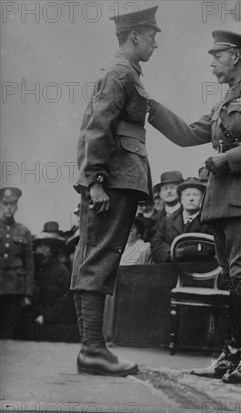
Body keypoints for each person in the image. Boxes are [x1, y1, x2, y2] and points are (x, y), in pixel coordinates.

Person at [147, 30, 241, 384]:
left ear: (237, 56)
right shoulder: (224, 102)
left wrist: (226, 161)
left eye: (217, 55)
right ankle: (231, 356)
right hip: (224, 201)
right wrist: (151, 108)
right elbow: (186, 135)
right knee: (229, 277)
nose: (211, 63)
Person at [70, 5, 162, 376]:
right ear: (135, 36)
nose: (156, 43)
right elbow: (96, 128)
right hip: (111, 182)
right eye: (153, 36)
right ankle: (93, 350)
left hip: (118, 180)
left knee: (98, 259)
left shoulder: (126, 72)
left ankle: (94, 349)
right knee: (98, 260)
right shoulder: (120, 72)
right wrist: (94, 182)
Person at [151, 177, 213, 263]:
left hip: (199, 270)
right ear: (181, 199)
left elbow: (210, 248)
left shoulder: (209, 222)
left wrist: (183, 252)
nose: (191, 198)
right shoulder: (168, 221)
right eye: (188, 195)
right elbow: (156, 243)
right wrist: (171, 253)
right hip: (172, 269)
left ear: (202, 200)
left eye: (196, 195)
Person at [0, 187, 33, 339]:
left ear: (16, 207)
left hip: (15, 286)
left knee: (9, 327)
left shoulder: (23, 231)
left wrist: (28, 292)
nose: (9, 208)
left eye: (12, 205)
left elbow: (29, 264)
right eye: (5, 204)